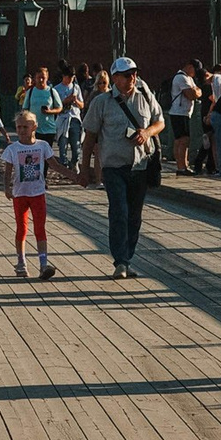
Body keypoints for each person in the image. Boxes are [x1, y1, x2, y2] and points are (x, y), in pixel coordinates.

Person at [81, 56, 165, 278]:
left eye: (134, 73)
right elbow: (89, 138)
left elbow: (160, 121)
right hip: (113, 166)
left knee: (134, 216)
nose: (132, 78)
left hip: (140, 166)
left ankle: (127, 258)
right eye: (127, 75)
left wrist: (147, 132)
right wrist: (84, 169)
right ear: (115, 78)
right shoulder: (102, 103)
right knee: (119, 211)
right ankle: (120, 260)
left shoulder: (146, 97)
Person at [1, 109, 60, 280]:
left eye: (25, 127)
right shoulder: (13, 149)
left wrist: (75, 176)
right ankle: (21, 263)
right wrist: (6, 187)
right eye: (18, 127)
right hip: (20, 195)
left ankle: (43, 264)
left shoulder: (42, 146)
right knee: (22, 228)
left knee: (40, 228)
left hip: (38, 193)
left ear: (34, 126)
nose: (21, 130)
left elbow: (54, 165)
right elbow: (7, 171)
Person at [167, 61, 200, 172]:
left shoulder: (188, 78)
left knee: (179, 140)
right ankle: (182, 166)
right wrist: (195, 91)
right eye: (195, 70)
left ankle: (181, 165)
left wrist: (196, 91)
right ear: (190, 67)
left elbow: (198, 91)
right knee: (183, 140)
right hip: (179, 113)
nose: (196, 74)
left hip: (183, 113)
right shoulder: (181, 78)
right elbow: (191, 95)